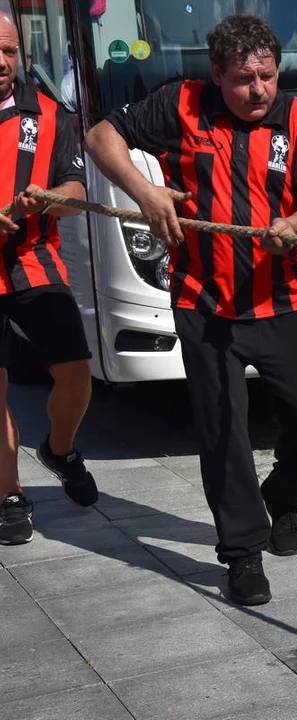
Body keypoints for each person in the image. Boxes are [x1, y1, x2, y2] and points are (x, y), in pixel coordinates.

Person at [84, 13, 297, 605]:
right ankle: (242, 552)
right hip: (204, 300)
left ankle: (284, 498)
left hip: (284, 297)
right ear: (217, 74)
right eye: (244, 79)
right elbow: (100, 136)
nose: (258, 91)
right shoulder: (180, 104)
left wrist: (294, 226)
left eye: (268, 77)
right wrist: (143, 192)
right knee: (222, 427)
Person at [0, 11, 96, 546]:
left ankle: (59, 449)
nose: (2, 62)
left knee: (77, 374)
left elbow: (77, 192)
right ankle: (10, 493)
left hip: (34, 260)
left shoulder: (53, 116)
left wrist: (55, 201)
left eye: (10, 51)